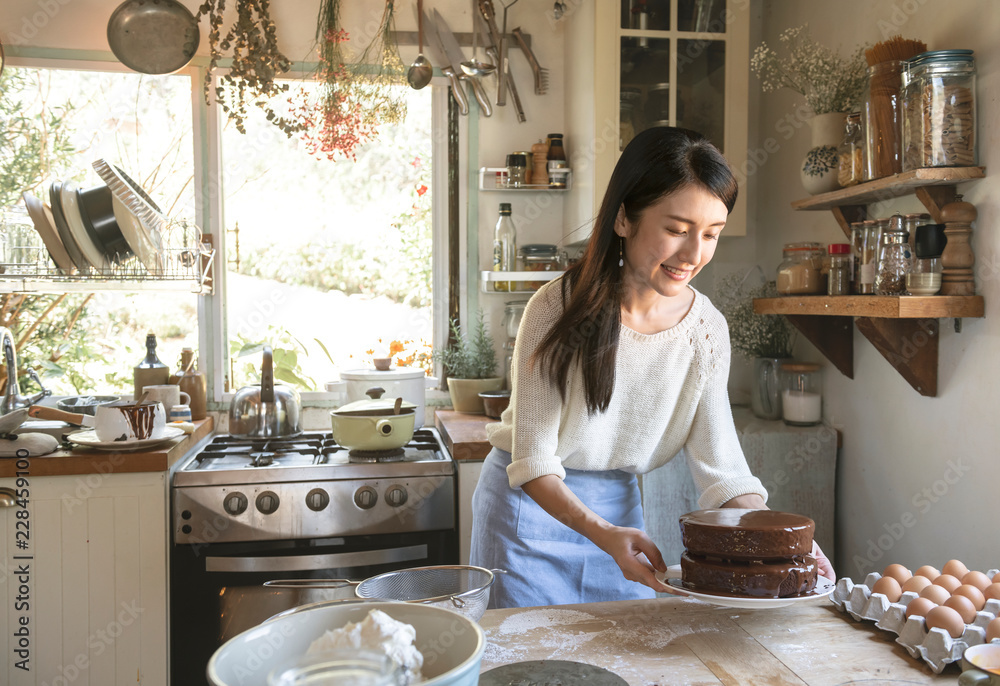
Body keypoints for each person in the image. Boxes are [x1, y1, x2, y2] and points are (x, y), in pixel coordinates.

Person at [470, 126, 834, 609]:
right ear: (624, 218)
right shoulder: (555, 310)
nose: (694, 254)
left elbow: (723, 471)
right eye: (677, 230)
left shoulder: (705, 330)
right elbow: (533, 462)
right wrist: (602, 533)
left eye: (711, 234)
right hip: (528, 514)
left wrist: (786, 542)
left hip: (618, 513)